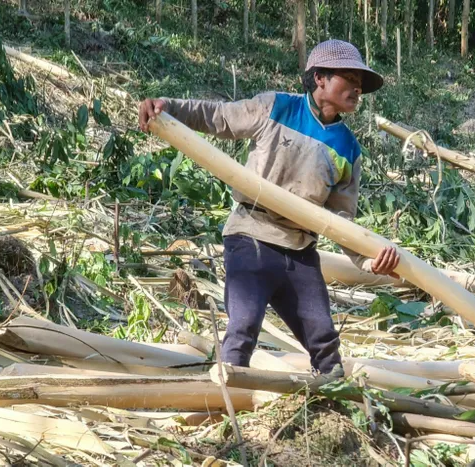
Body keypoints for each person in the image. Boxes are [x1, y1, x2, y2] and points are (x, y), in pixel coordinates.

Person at [138, 39, 400, 374]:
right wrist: (167, 108)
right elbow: (219, 117)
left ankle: (333, 406)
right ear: (320, 78)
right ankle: (223, 404)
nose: (356, 90)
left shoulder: (349, 148)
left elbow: (341, 219)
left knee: (324, 342)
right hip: (251, 236)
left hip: (299, 252)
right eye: (349, 79)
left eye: (359, 85)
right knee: (243, 328)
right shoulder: (275, 108)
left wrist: (368, 259)